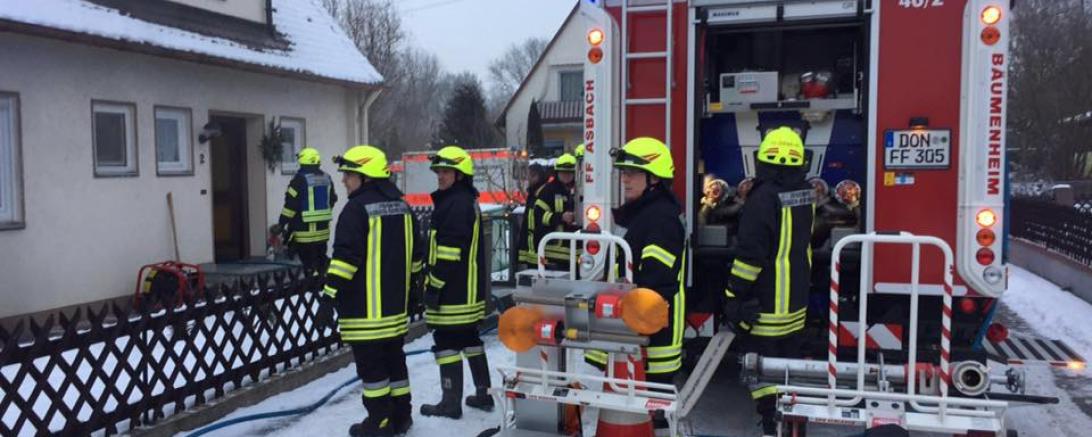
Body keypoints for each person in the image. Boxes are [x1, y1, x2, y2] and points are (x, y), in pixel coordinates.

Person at [722, 127, 815, 435]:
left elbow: (750, 256)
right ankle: (789, 421)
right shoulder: (805, 194)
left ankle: (770, 423)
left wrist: (733, 297)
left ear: (763, 161)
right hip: (795, 307)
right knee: (787, 368)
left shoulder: (762, 199)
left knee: (762, 372)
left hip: (767, 308)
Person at [322, 145, 417, 436]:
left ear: (365, 176)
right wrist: (413, 295)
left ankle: (379, 423)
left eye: (349, 175)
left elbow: (345, 261)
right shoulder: (403, 207)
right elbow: (417, 258)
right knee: (395, 363)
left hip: (365, 314)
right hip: (394, 312)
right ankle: (401, 417)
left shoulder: (355, 210)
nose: (344, 181)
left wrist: (328, 297)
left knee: (373, 372)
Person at [585, 137, 686, 385]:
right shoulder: (643, 214)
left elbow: (654, 278)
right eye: (623, 173)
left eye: (632, 173)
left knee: (651, 407)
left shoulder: (661, 218)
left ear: (654, 178)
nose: (625, 179)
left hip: (651, 336)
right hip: (636, 330)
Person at [420, 146, 493, 419]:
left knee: (446, 342)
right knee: (469, 338)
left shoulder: (454, 203)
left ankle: (450, 403)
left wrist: (434, 286)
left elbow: (449, 252)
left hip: (452, 292)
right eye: (438, 171)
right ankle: (483, 394)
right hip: (467, 291)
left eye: (446, 171)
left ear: (460, 174)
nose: (440, 176)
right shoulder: (464, 200)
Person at [277, 147, 337, 274]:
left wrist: (282, 223)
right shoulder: (327, 178)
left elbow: (290, 205)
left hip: (304, 231)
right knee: (321, 260)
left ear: (302, 161)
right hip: (323, 231)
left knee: (307, 263)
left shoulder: (299, 179)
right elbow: (332, 199)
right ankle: (321, 284)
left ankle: (310, 284)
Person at [531, 153, 578, 269]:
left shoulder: (579, 190)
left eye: (569, 173)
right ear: (557, 173)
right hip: (554, 253)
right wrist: (561, 217)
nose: (566, 175)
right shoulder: (548, 190)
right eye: (563, 172)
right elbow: (538, 215)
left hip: (577, 252)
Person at [517, 163, 549, 268]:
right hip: (534, 251)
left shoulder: (543, 194)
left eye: (530, 176)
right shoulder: (534, 194)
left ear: (537, 176)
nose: (528, 180)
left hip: (541, 249)